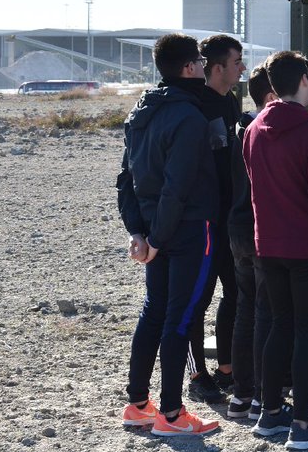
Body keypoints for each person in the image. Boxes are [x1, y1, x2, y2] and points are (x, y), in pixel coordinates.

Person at [115, 33, 220, 437]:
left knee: (153, 312)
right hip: (189, 229)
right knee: (179, 320)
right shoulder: (189, 118)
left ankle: (138, 404)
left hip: (155, 232)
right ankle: (173, 416)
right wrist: (153, 238)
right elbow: (178, 186)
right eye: (199, 60)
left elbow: (127, 179)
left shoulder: (141, 111)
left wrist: (138, 232)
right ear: (189, 68)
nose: (203, 66)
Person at [242, 51, 308, 451]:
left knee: (279, 325)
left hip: (267, 245)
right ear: (304, 79)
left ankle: (270, 413)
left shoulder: (253, 130)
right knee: (307, 331)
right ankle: (302, 425)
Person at [186, 34, 246, 403]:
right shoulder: (194, 105)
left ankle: (227, 367)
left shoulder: (232, 101)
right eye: (237, 61)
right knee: (199, 299)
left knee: (236, 294)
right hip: (203, 222)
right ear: (218, 67)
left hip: (231, 218)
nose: (242, 68)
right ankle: (197, 373)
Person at [225, 65, 277, 420]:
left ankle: (241, 395)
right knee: (265, 313)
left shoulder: (240, 127)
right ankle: (261, 394)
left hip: (237, 228)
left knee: (245, 310)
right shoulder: (267, 131)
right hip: (261, 231)